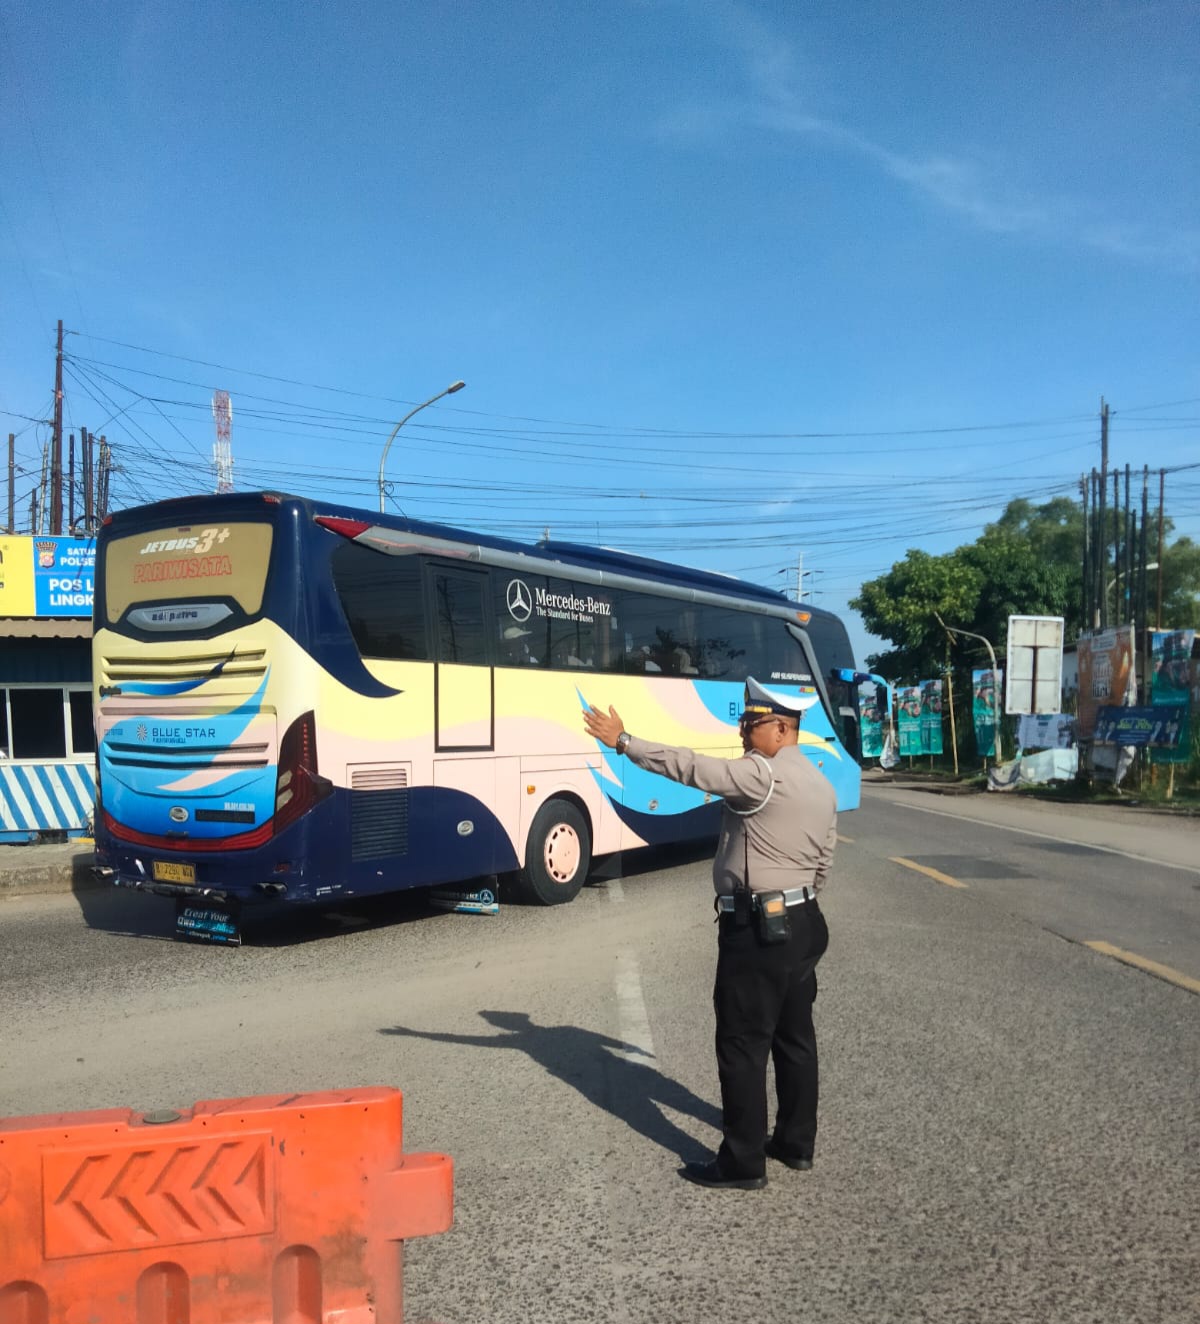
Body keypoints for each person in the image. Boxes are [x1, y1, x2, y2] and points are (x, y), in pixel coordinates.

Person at [583, 676, 837, 1191]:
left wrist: (624, 742)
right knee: (795, 1038)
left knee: (742, 1043)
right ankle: (795, 1144)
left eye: (752, 723)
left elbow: (691, 766)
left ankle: (743, 1162)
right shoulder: (820, 781)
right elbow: (823, 862)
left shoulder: (760, 775)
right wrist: (798, 903)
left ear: (781, 729)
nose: (742, 731)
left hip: (760, 929)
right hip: (804, 920)